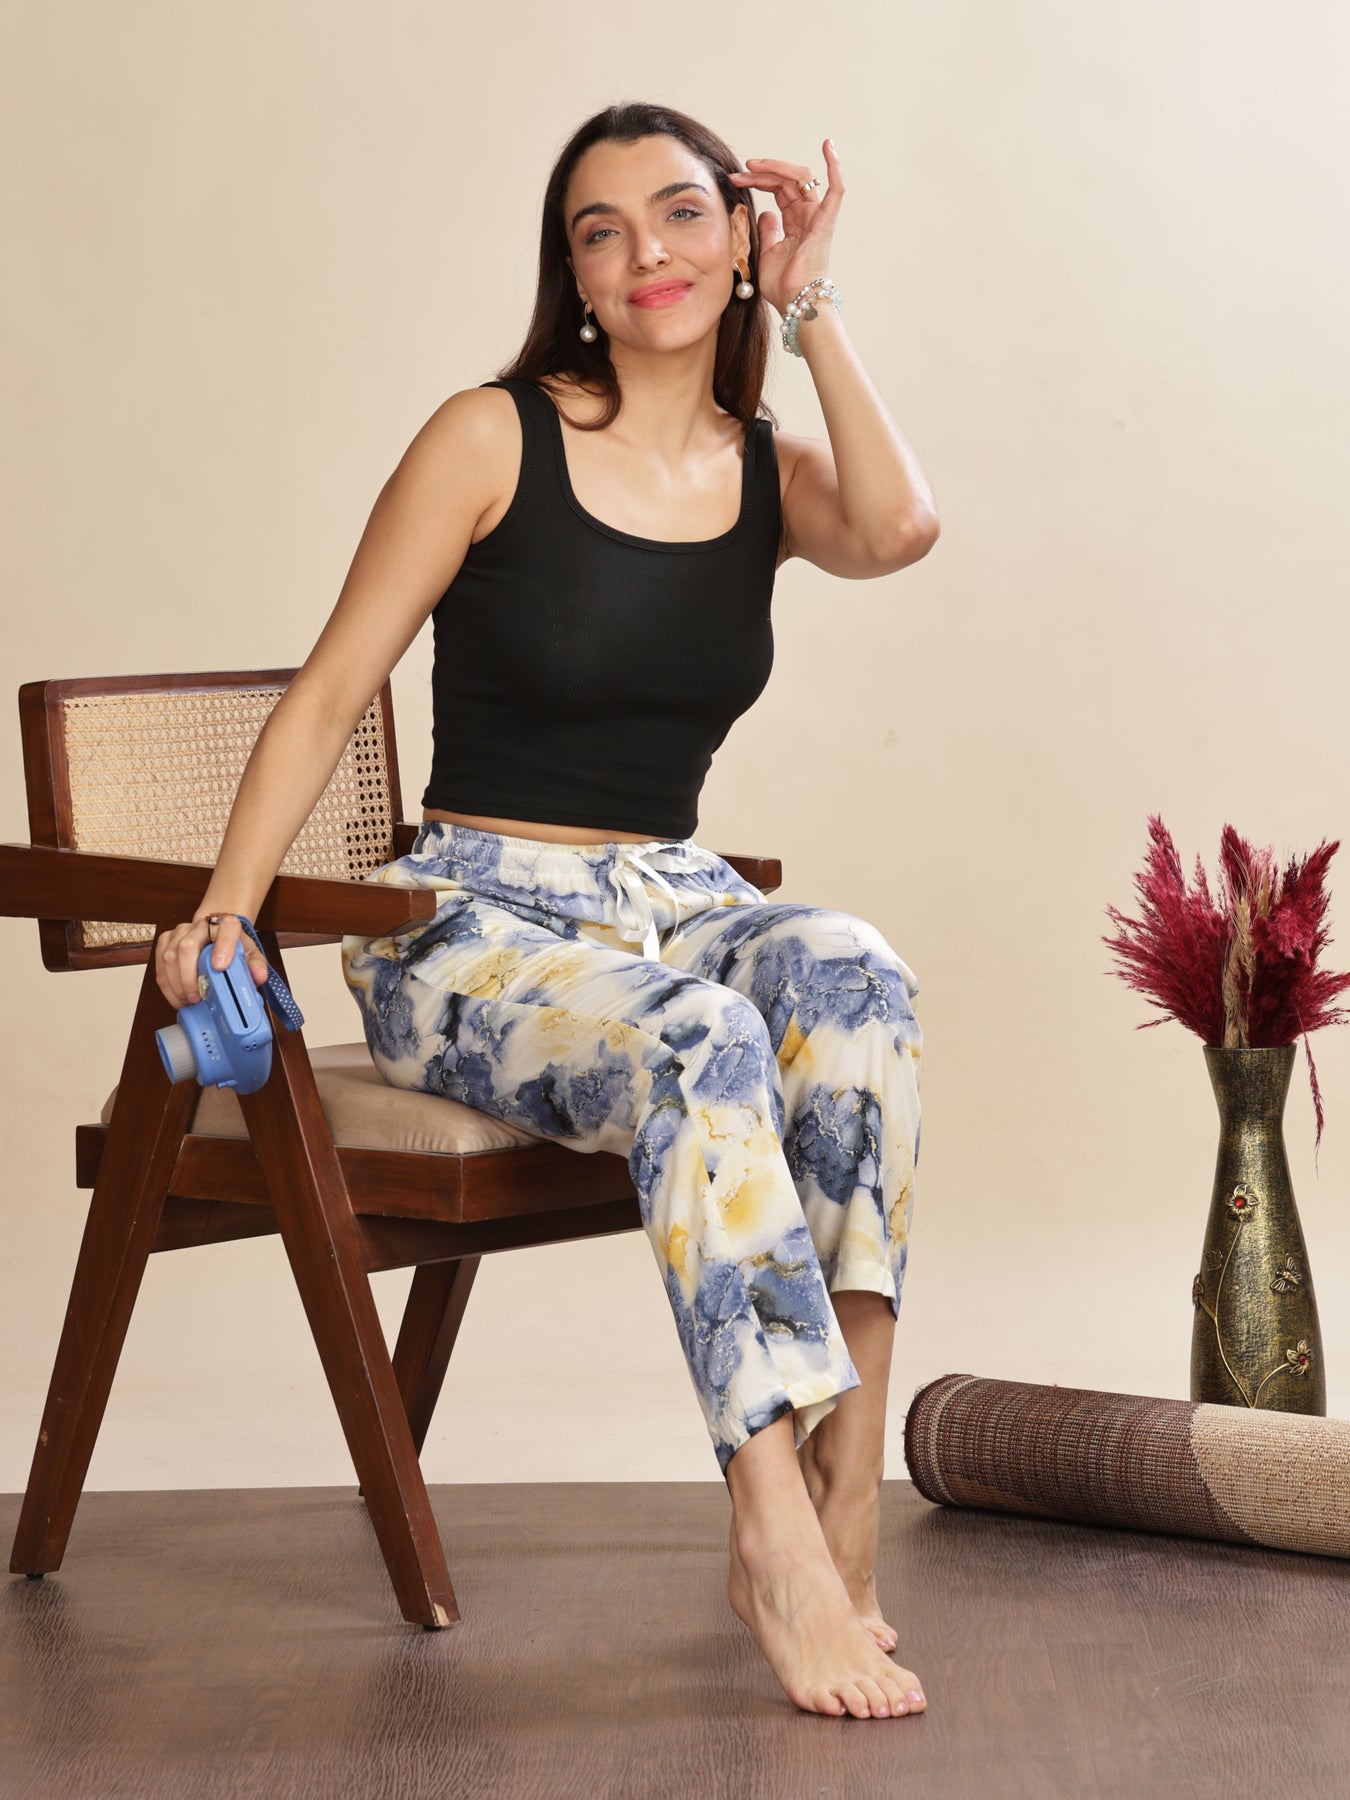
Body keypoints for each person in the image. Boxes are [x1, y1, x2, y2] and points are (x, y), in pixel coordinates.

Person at [154, 100, 939, 1721]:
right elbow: (331, 690)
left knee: (855, 975)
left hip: (664, 899)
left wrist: (810, 307)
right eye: (601, 230)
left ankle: (846, 1482)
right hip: (467, 926)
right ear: (571, 276)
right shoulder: (489, 436)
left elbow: (899, 528)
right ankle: (773, 1532)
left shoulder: (766, 471)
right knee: (705, 1040)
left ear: (738, 240)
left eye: (681, 214)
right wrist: (224, 910)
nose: (646, 251)